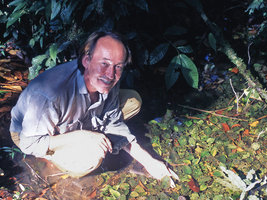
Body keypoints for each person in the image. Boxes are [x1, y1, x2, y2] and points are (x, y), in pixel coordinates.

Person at [10, 31, 178, 187]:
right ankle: (52, 158)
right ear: (86, 60)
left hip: (75, 119)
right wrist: (83, 137)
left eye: (118, 66)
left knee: (133, 100)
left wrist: (149, 161)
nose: (111, 74)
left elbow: (113, 121)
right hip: (31, 134)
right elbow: (28, 143)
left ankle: (87, 134)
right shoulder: (50, 95)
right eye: (104, 63)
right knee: (92, 155)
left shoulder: (109, 77)